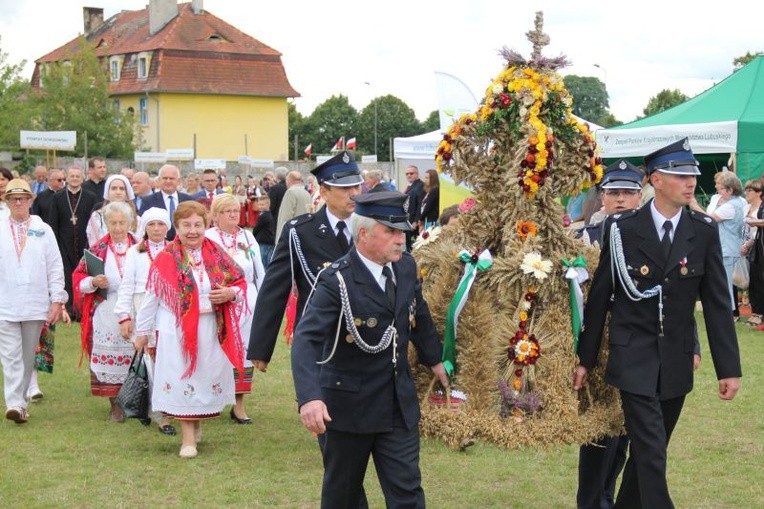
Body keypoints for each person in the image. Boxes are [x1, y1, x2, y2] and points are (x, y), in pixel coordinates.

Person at [573, 138, 742, 508]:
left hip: (676, 361)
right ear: (655, 180)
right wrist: (585, 360)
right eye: (679, 175)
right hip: (632, 356)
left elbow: (716, 305)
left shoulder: (703, 230)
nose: (690, 183)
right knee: (651, 448)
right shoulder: (622, 229)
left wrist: (728, 369)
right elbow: (600, 298)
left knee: (650, 452)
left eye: (693, 175)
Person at [292, 191, 448, 507]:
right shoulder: (337, 279)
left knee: (408, 493)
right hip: (348, 407)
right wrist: (309, 397)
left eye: (402, 230)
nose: (400, 239)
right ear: (363, 233)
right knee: (344, 495)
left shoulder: (405, 266)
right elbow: (306, 339)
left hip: (396, 403)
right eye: (390, 231)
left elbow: (418, 315)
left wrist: (436, 361)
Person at [134, 201, 246, 458]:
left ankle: (194, 425)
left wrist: (230, 293)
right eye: (186, 225)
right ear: (177, 227)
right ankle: (187, 440)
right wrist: (142, 333)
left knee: (203, 378)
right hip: (177, 331)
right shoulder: (166, 258)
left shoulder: (216, 253)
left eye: (197, 224)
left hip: (210, 328)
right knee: (183, 377)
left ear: (206, 225)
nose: (192, 231)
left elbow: (239, 283)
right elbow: (151, 299)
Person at [247, 151, 363, 369]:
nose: (354, 194)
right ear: (325, 192)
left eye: (357, 187)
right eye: (345, 188)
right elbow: (275, 289)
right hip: (318, 338)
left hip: (365, 338)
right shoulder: (300, 231)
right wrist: (261, 347)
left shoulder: (371, 229)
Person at [0, 179, 68, 423]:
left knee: (28, 355)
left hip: (34, 302)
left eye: (22, 198)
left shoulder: (43, 229)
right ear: (6, 202)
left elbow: (55, 266)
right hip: (5, 303)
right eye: (13, 198)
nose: (18, 202)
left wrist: (57, 299)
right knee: (10, 356)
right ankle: (15, 404)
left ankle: (21, 401)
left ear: (31, 200)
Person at [72, 201, 138, 422]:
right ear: (106, 223)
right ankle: (115, 405)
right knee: (111, 355)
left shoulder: (140, 247)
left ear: (130, 223)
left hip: (136, 307)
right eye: (113, 223)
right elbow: (77, 279)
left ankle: (139, 400)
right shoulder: (97, 250)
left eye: (122, 222)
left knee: (137, 355)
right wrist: (93, 281)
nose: (118, 228)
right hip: (107, 310)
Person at [113, 206, 176, 436]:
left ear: (167, 227)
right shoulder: (135, 252)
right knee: (148, 359)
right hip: (143, 306)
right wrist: (124, 316)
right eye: (152, 224)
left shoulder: (174, 250)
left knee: (166, 357)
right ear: (145, 228)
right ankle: (155, 411)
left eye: (161, 224)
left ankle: (167, 410)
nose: (157, 229)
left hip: (167, 308)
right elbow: (127, 285)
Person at [206, 194, 265, 424]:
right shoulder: (208, 237)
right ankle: (212, 401)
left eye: (235, 210)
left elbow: (259, 271)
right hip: (217, 301)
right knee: (216, 351)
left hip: (246, 302)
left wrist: (263, 302)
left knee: (243, 352)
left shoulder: (247, 236)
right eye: (226, 211)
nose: (233, 215)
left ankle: (239, 405)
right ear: (216, 215)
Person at [689, 171, 746, 313]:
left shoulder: (732, 205)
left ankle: (728, 312)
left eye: (720, 187)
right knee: (722, 282)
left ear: (730, 190)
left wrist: (693, 203)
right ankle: (727, 310)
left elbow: (709, 219)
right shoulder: (729, 201)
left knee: (725, 283)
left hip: (727, 248)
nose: (717, 189)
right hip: (724, 247)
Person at [47, 165, 99, 316]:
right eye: (72, 176)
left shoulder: (90, 197)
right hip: (64, 244)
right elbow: (53, 223)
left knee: (83, 277)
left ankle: (82, 309)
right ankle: (69, 309)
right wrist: (56, 245)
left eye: (78, 176)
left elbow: (93, 222)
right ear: (67, 178)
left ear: (82, 178)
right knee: (67, 277)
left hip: (85, 243)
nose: (75, 179)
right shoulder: (57, 197)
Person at [138, 164, 193, 239]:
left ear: (178, 181)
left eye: (171, 178)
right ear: (159, 180)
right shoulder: (148, 201)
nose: (168, 181)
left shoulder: (188, 200)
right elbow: (143, 226)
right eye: (165, 178)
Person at [86, 175, 138, 247]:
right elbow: (95, 244)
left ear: (127, 193)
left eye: (122, 189)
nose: (118, 192)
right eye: (114, 188)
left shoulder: (136, 218)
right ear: (108, 192)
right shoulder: (97, 216)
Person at [742, 178, 764, 328]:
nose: (747, 192)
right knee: (755, 279)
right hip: (757, 244)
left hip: (758, 244)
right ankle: (757, 312)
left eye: (750, 190)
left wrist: (754, 222)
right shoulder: (753, 206)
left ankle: (759, 313)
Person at [275, 170, 312, 240]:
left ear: (289, 180)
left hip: (292, 234)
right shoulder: (306, 192)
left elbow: (285, 217)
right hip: (304, 232)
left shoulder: (290, 192)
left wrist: (279, 240)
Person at [403, 165, 425, 250]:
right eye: (407, 174)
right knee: (409, 245)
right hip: (409, 220)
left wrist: (416, 221)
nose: (409, 175)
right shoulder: (412, 186)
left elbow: (420, 205)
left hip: (414, 223)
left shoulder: (420, 186)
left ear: (417, 174)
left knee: (413, 247)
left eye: (411, 173)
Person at [251, 191, 275, 268]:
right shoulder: (267, 214)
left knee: (263, 261)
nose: (260, 206)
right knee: (267, 261)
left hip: (264, 242)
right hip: (268, 241)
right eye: (259, 204)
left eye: (262, 204)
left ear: (268, 204)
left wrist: (253, 236)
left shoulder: (264, 216)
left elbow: (257, 228)